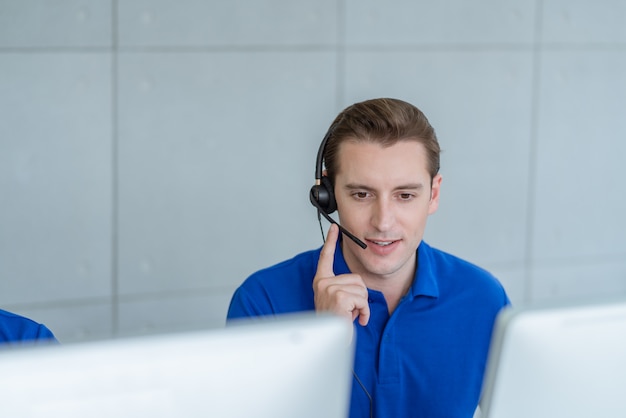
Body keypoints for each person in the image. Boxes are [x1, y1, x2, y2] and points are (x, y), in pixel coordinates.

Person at [227, 98, 510, 417]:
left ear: (433, 194)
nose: (384, 221)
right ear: (328, 196)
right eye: (362, 194)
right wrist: (324, 344)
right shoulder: (262, 302)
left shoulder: (484, 298)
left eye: (405, 195)